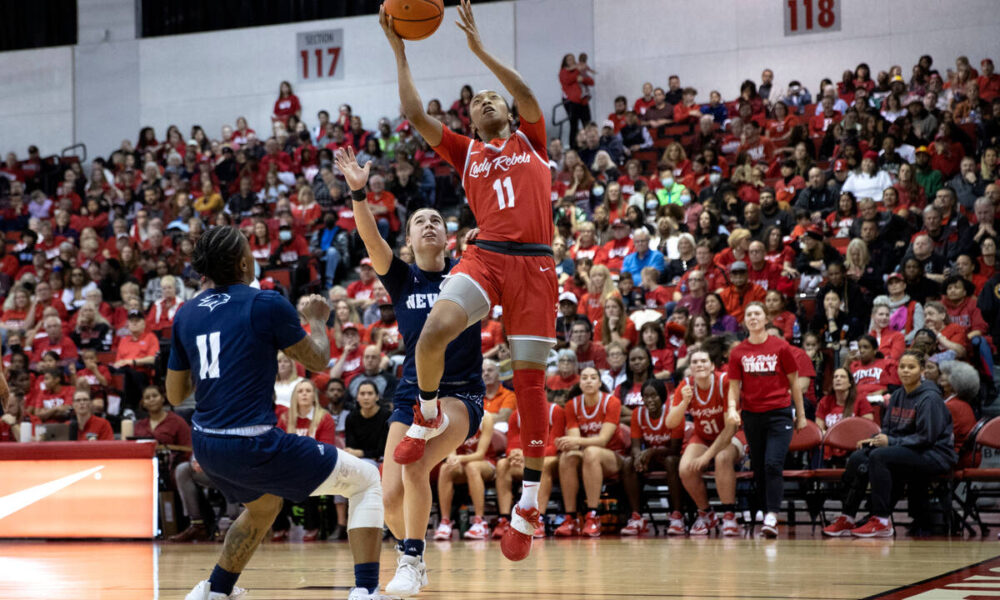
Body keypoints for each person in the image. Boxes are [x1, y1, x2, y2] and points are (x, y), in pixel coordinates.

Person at [381, 1, 558, 562]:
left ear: (505, 111)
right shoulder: (466, 151)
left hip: (535, 263)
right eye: (475, 99)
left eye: (491, 98)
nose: (484, 100)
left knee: (530, 383)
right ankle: (426, 412)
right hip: (486, 256)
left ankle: (528, 501)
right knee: (433, 331)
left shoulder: (531, 137)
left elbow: (526, 94)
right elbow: (412, 113)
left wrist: (481, 52)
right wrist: (399, 50)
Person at [165, 226, 384, 600]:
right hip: (252, 442)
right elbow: (317, 360)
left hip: (207, 444)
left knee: (264, 505)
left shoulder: (186, 314)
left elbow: (175, 394)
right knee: (366, 480)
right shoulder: (264, 303)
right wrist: (317, 319)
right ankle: (366, 591)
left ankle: (215, 591)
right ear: (243, 262)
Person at [333, 148, 483, 597]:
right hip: (410, 396)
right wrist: (359, 191)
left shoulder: (466, 273)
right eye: (421, 221)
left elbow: (498, 250)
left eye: (437, 219)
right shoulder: (401, 279)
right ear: (409, 242)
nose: (430, 224)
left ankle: (412, 558)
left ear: (448, 237)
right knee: (389, 494)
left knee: (416, 464)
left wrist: (486, 241)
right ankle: (409, 554)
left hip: (461, 394)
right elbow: (369, 237)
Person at [822, 350, 957, 537]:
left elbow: (927, 438)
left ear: (922, 371)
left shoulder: (930, 398)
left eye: (912, 367)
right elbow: (887, 429)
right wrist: (874, 440)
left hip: (934, 454)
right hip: (905, 449)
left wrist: (890, 442)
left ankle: (882, 520)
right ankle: (848, 516)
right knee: (859, 457)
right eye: (902, 367)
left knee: (880, 456)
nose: (906, 371)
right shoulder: (897, 396)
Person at [726, 302, 806, 538]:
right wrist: (732, 408)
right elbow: (733, 387)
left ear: (765, 319)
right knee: (759, 466)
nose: (753, 317)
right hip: (752, 415)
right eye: (748, 314)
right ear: (745, 321)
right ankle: (762, 509)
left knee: (773, 463)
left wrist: (800, 416)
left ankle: (771, 514)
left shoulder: (781, 347)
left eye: (757, 314)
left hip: (779, 413)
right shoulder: (738, 352)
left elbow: (794, 384)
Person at [666, 350, 742, 537]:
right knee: (685, 468)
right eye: (695, 362)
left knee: (722, 458)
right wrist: (684, 402)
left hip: (732, 435)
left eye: (703, 361)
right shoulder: (686, 386)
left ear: (712, 366)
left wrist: (707, 456)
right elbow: (670, 423)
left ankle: (729, 515)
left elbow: (730, 428)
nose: (699, 364)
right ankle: (706, 513)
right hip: (703, 437)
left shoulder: (724, 382)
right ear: (690, 368)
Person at [553, 367, 626, 538]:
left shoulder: (612, 402)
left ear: (600, 383)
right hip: (586, 456)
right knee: (567, 457)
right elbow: (574, 441)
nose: (588, 381)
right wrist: (565, 443)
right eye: (584, 377)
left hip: (614, 456)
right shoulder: (572, 405)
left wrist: (575, 442)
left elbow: (603, 440)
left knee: (592, 451)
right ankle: (571, 517)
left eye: (593, 377)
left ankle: (593, 516)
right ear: (579, 383)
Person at [493, 401, 565, 540]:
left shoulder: (554, 411)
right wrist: (514, 453)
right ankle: (504, 519)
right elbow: (511, 446)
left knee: (541, 465)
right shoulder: (516, 415)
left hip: (550, 460)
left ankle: (539, 518)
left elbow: (553, 447)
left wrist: (526, 455)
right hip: (526, 459)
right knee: (502, 464)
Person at [620, 379, 684, 536]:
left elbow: (675, 449)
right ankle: (636, 517)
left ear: (662, 396)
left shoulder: (674, 412)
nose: (650, 400)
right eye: (646, 396)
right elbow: (635, 445)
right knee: (628, 462)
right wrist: (637, 457)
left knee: (670, 462)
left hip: (672, 457)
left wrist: (652, 452)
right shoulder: (638, 413)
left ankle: (677, 516)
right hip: (652, 458)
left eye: (654, 396)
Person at [433, 412, 496, 540]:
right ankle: (445, 522)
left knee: (472, 467)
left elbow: (480, 454)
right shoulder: (454, 418)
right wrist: (452, 458)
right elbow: (451, 452)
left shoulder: (486, 418)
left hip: (486, 462)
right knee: (446, 468)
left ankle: (480, 521)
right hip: (463, 463)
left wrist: (459, 458)